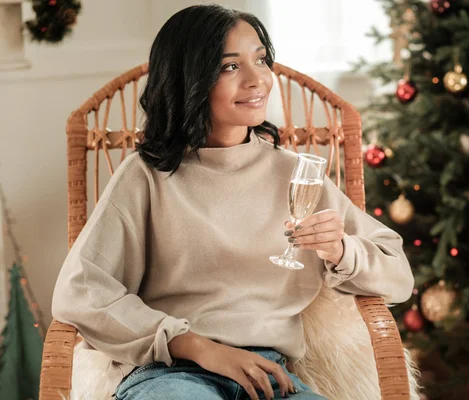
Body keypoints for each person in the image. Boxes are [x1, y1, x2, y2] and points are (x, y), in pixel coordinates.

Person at [51, 4, 414, 400]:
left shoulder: (296, 175)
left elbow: (398, 275)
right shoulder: (144, 176)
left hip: (271, 375)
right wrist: (198, 347)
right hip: (170, 373)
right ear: (189, 79)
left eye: (261, 60)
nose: (258, 79)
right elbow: (79, 291)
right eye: (230, 67)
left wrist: (342, 250)